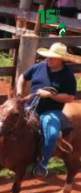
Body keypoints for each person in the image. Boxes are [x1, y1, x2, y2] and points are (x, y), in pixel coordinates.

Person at [15, 42, 78, 177]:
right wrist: (20, 94)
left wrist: (51, 95)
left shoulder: (67, 76)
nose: (48, 59)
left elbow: (70, 97)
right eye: (48, 56)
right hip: (29, 106)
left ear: (61, 59)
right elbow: (23, 77)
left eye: (52, 57)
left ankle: (42, 164)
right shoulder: (39, 67)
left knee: (52, 134)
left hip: (50, 111)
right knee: (8, 122)